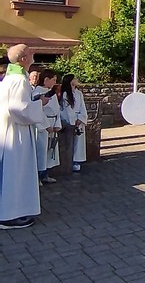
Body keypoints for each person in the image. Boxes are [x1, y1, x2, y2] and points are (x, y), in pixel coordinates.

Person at [0, 44, 50, 229]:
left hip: (8, 130)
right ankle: (8, 216)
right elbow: (18, 109)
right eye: (30, 52)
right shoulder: (20, 80)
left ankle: (10, 212)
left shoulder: (9, 78)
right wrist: (40, 104)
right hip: (16, 133)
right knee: (15, 173)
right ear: (23, 59)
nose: (33, 53)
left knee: (11, 173)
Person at [34, 69, 62, 184]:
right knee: (40, 151)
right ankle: (37, 177)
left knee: (49, 151)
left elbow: (57, 110)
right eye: (53, 80)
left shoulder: (51, 92)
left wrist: (57, 124)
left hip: (52, 123)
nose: (55, 82)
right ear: (46, 80)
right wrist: (47, 126)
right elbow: (37, 111)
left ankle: (45, 174)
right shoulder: (37, 93)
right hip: (42, 127)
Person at [59, 74, 88, 171]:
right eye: (74, 78)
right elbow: (66, 109)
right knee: (70, 142)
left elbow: (82, 106)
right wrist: (73, 120)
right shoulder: (65, 94)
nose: (76, 80)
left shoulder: (79, 93)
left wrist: (81, 118)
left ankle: (77, 160)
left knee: (78, 142)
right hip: (70, 119)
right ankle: (69, 161)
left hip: (79, 119)